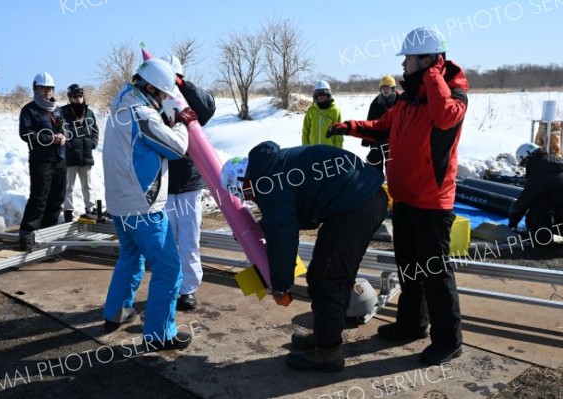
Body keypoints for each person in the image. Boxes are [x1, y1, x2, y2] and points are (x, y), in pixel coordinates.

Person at [327, 27, 468, 365]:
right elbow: (382, 128)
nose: (403, 65)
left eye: (408, 59)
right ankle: (411, 324)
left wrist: (434, 73)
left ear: (427, 61)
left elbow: (445, 118)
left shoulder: (454, 95)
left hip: (433, 202)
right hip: (403, 197)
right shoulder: (406, 100)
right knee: (409, 267)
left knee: (435, 272)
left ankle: (449, 340)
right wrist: (349, 126)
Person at [221, 141, 387, 372]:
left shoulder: (267, 183)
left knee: (330, 279)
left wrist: (280, 284)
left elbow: (284, 239)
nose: (249, 197)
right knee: (320, 275)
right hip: (357, 200)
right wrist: (264, 225)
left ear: (243, 180)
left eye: (245, 192)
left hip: (357, 206)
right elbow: (291, 210)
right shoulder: (271, 169)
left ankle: (328, 352)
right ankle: (323, 337)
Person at [102, 57, 198, 351]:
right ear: (151, 88)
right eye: (162, 94)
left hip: (120, 205)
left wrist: (165, 119)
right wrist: (183, 123)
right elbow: (176, 148)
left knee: (131, 257)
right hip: (143, 208)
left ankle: (116, 312)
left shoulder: (121, 102)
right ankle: (159, 334)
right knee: (169, 269)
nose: (163, 100)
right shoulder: (141, 113)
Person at [162, 55, 216, 311]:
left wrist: (183, 85)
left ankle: (188, 290)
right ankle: (170, 285)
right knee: (167, 239)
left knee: (189, 238)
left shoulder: (189, 102)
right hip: (164, 182)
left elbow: (207, 108)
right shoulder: (154, 102)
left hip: (189, 183)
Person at [18, 72, 67, 248]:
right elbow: (26, 134)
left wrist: (63, 137)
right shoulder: (29, 110)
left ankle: (47, 232)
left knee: (57, 197)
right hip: (41, 161)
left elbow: (65, 129)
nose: (47, 91)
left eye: (50, 88)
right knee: (39, 197)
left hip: (59, 159)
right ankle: (27, 234)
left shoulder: (58, 109)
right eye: (43, 88)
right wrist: (50, 139)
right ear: (36, 89)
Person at [509, 141, 563, 245]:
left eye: (525, 164)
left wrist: (512, 223)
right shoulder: (557, 162)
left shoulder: (539, 171)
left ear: (528, 159)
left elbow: (524, 200)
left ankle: (541, 236)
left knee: (538, 202)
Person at [61, 84, 100, 222]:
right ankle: (68, 211)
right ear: (70, 98)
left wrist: (93, 143)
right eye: (75, 96)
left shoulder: (89, 112)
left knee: (87, 185)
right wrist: (67, 143)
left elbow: (95, 130)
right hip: (70, 155)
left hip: (86, 154)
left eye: (80, 96)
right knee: (68, 186)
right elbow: (58, 129)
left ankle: (90, 208)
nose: (78, 99)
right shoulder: (63, 112)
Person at [362, 75, 400, 175]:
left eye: (387, 87)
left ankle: (392, 185)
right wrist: (367, 140)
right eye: (383, 87)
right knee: (373, 163)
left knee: (392, 166)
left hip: (394, 141)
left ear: (393, 89)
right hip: (378, 140)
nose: (385, 90)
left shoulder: (400, 101)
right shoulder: (375, 103)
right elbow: (370, 122)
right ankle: (376, 186)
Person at [302, 80, 342, 148]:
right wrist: (305, 148)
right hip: (313, 149)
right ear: (315, 95)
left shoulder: (335, 111)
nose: (321, 96)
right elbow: (305, 131)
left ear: (328, 94)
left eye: (323, 94)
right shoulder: (311, 111)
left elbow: (338, 135)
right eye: (318, 94)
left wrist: (338, 151)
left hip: (329, 150)